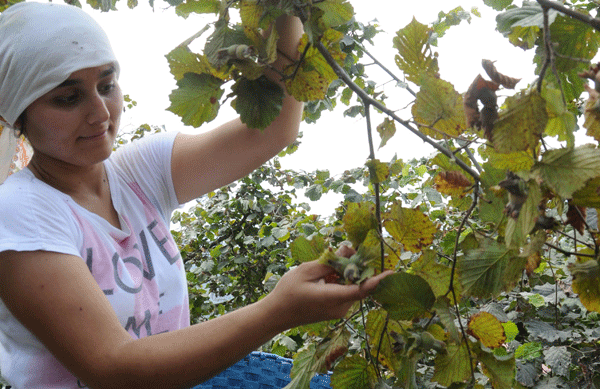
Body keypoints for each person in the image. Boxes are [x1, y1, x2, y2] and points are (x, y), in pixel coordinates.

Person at [0, 2, 391, 388]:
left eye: (106, 86)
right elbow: (113, 368)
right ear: (19, 115)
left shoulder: (136, 174)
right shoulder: (19, 212)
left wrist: (283, 8)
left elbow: (271, 129)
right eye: (68, 98)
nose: (100, 113)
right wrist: (278, 310)